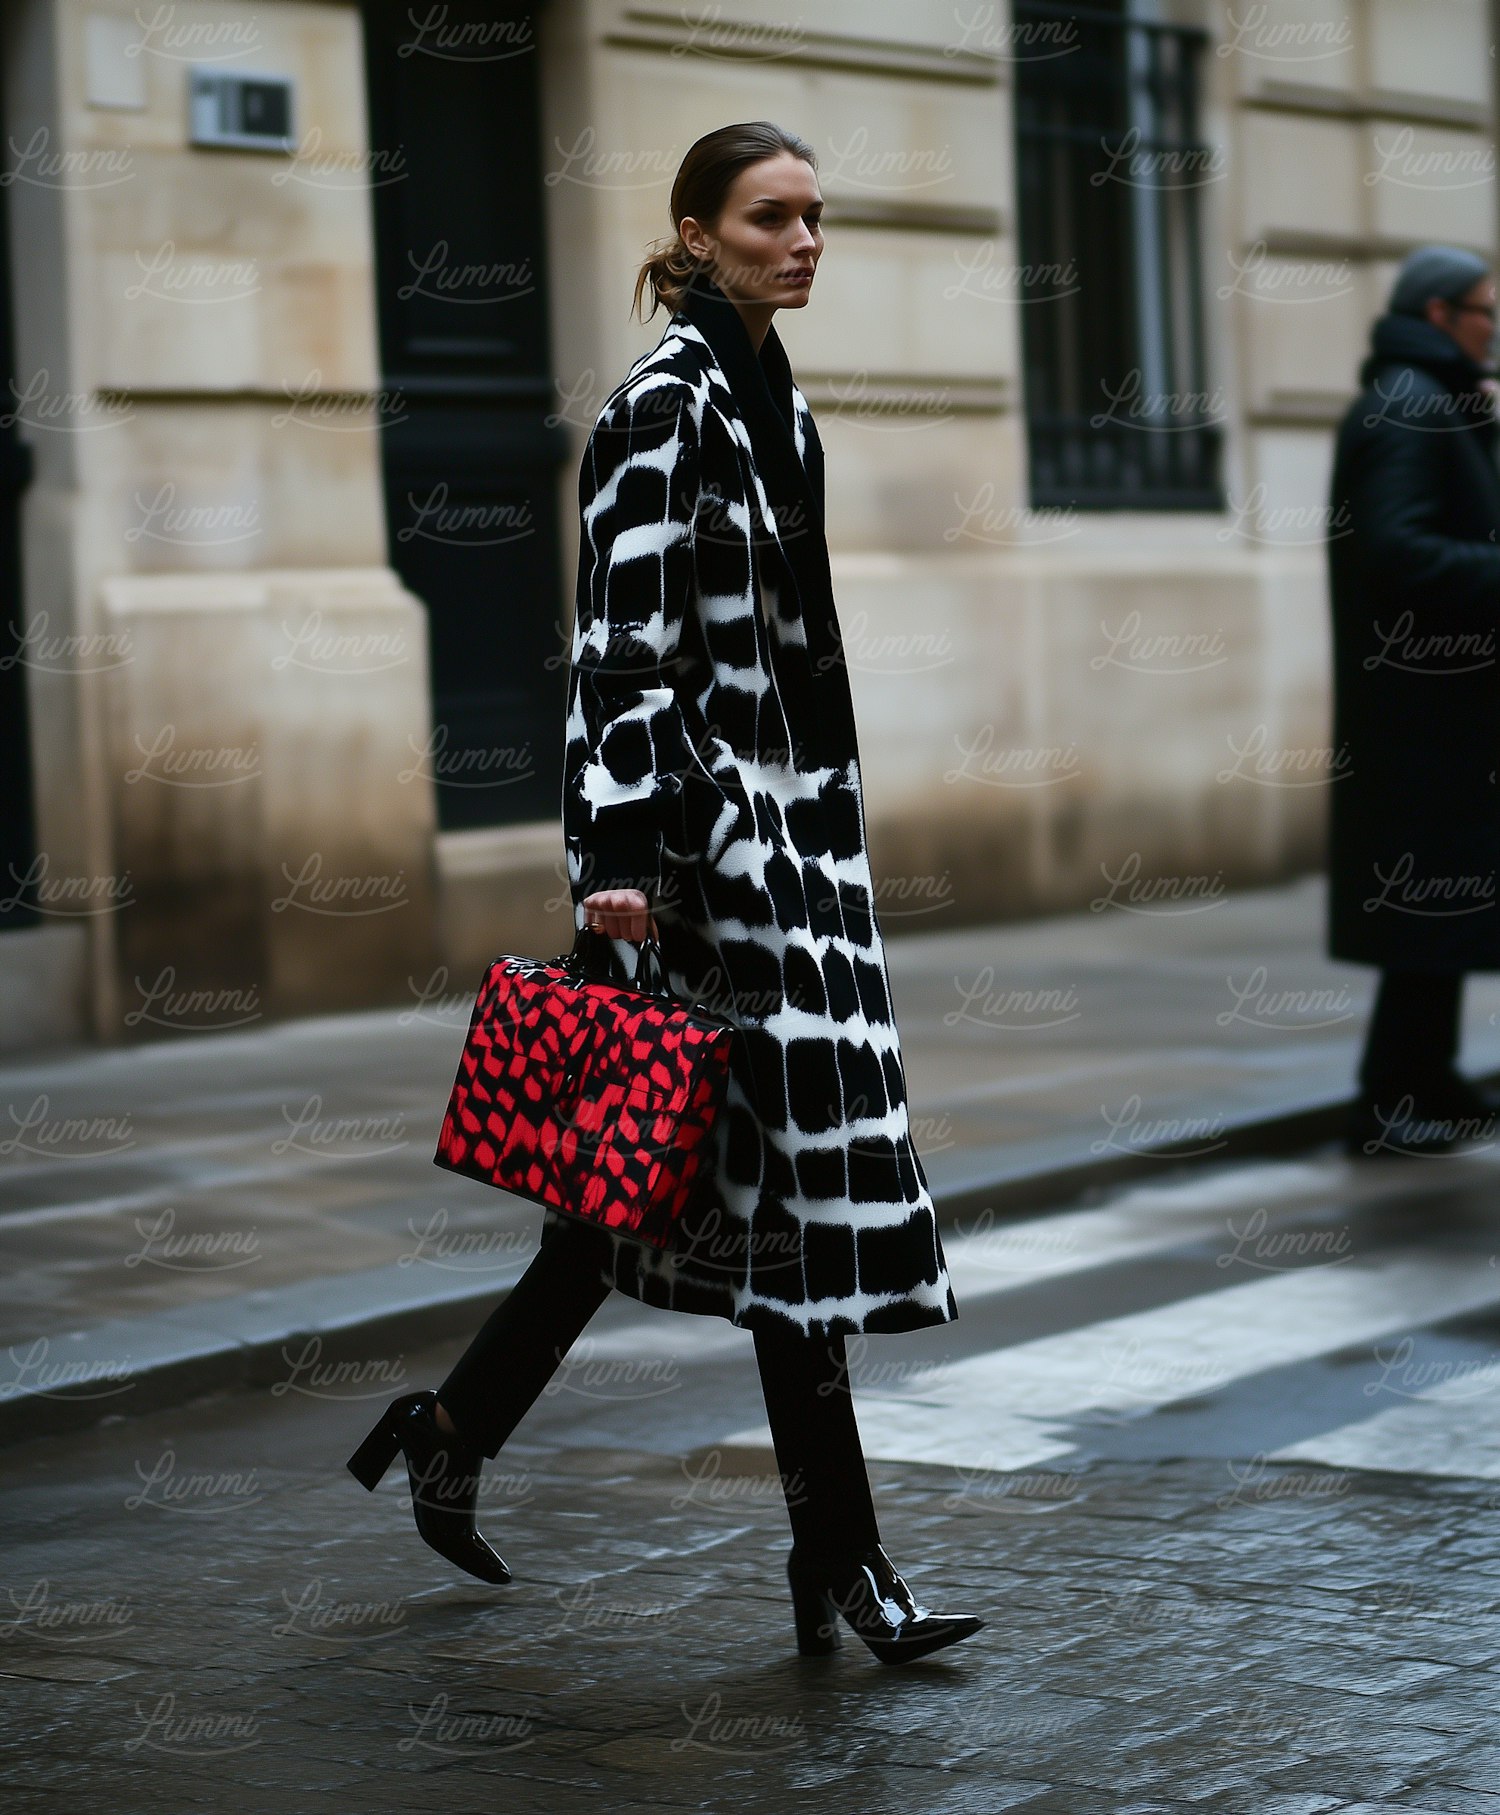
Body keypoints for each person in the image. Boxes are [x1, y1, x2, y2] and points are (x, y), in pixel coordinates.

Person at [348, 121, 983, 1666]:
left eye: (817, 216)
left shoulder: (784, 404)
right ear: (695, 233)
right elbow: (619, 654)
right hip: (706, 867)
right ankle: (845, 1560)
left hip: (796, 843)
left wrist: (823, 818)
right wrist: (618, 868)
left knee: (653, 1194)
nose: (805, 240)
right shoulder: (660, 409)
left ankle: (450, 1426)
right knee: (782, 1214)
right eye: (772, 218)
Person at [1327, 243, 1500, 1156]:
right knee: (1427, 909)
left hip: (1446, 712)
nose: (1492, 327)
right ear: (1440, 315)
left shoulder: (1433, 400)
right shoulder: (1410, 407)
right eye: (1483, 310)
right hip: (1421, 717)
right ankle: (1391, 1098)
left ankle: (1427, 1079)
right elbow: (1397, 553)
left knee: (1446, 908)